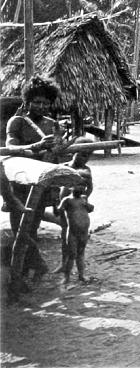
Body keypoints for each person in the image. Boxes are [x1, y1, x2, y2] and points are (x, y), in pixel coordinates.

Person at [3, 76, 68, 281]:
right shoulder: (18, 122)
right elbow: (11, 147)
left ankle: (24, 272)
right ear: (27, 102)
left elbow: (58, 156)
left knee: (32, 226)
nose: (41, 106)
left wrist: (61, 145)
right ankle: (33, 266)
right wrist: (34, 146)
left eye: (46, 103)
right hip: (19, 183)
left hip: (40, 185)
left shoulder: (53, 124)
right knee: (19, 227)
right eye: (37, 102)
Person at [57, 183, 94, 286]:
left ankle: (81, 275)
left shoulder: (84, 198)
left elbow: (90, 209)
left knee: (81, 254)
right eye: (78, 186)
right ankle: (66, 277)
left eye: (82, 187)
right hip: (73, 231)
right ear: (71, 188)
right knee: (72, 255)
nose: (81, 188)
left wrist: (87, 205)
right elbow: (59, 211)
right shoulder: (67, 200)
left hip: (84, 231)